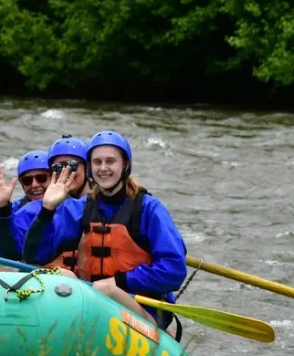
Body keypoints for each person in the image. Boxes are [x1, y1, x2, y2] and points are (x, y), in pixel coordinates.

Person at [20, 130, 187, 335]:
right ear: (90, 167)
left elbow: (173, 271)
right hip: (95, 304)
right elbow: (34, 255)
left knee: (104, 290)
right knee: (61, 275)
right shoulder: (81, 208)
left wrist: (118, 282)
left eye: (110, 161)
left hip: (143, 312)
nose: (103, 168)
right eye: (97, 162)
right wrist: (47, 209)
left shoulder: (149, 209)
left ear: (125, 165)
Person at [0, 136, 88, 269]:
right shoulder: (29, 210)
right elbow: (5, 250)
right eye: (27, 180)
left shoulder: (98, 201)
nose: (35, 185)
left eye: (72, 165)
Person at [0, 150, 50, 246]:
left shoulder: (69, 206)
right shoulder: (13, 211)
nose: (34, 185)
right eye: (27, 180)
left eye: (41, 178)